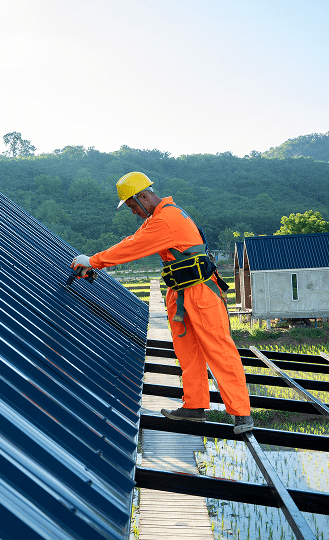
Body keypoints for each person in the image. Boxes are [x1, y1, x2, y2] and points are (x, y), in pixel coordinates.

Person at [70, 172, 253, 434]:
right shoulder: (157, 217)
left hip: (201, 292)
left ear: (143, 196)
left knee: (219, 351)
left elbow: (133, 248)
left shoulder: (166, 219)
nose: (133, 212)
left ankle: (242, 414)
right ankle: (195, 406)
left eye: (132, 206)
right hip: (181, 293)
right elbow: (131, 241)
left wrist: (93, 261)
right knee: (187, 351)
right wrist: (95, 261)